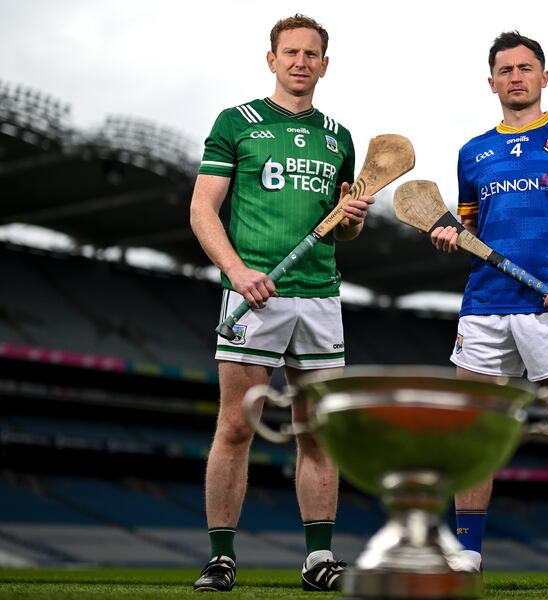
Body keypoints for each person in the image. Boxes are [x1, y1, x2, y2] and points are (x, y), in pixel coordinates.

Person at [431, 31, 548, 595]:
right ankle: (466, 555)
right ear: (491, 82)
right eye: (505, 70)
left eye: (525, 67)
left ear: (544, 76)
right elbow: (470, 233)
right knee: (473, 438)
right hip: (485, 309)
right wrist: (450, 237)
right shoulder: (473, 153)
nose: (516, 77)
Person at [189, 14, 374, 593]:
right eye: (290, 52)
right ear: (271, 59)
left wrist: (353, 222)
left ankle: (318, 557)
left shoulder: (339, 137)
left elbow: (339, 233)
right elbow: (201, 209)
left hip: (319, 296)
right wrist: (238, 272)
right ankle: (221, 558)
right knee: (237, 427)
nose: (300, 61)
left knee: (316, 432)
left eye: (311, 53)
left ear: (324, 64)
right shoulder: (237, 123)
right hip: (254, 295)